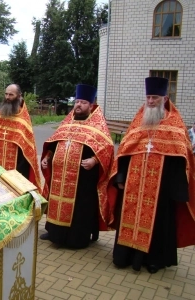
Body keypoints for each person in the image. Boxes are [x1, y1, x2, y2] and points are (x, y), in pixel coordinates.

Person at [108, 77, 195, 274]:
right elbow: (124, 152)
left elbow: (182, 156)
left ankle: (153, 260)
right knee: (129, 218)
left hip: (161, 189)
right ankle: (125, 256)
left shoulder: (175, 124)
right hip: (133, 185)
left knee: (158, 224)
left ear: (164, 99)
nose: (150, 101)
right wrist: (120, 178)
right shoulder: (139, 122)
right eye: (148, 97)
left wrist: (173, 188)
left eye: (155, 97)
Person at [39, 84, 114, 249]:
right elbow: (54, 143)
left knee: (80, 208)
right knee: (56, 202)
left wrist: (94, 160)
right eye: (77, 101)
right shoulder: (68, 122)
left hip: (83, 177)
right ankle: (54, 232)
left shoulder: (97, 125)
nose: (79, 105)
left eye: (83, 102)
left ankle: (76, 238)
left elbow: (107, 148)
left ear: (91, 105)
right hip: (60, 175)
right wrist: (47, 157)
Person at [0, 84, 42, 191]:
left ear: (19, 96)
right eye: (6, 94)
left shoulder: (23, 118)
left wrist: (20, 169)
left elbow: (26, 146)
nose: (7, 97)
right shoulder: (1, 113)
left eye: (11, 95)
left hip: (16, 167)